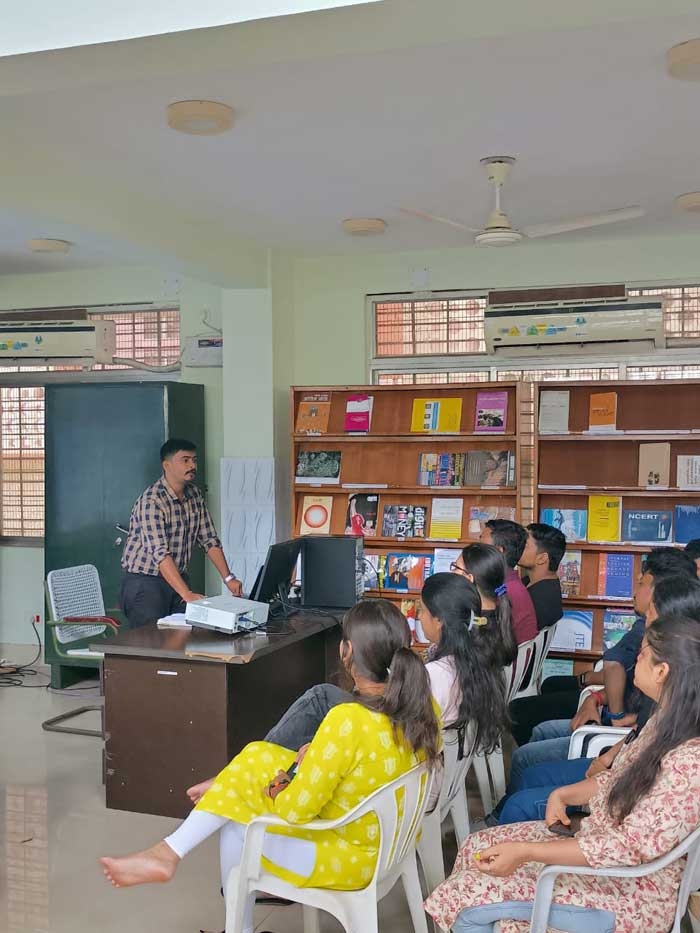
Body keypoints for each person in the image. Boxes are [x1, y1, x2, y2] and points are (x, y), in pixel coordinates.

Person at [99, 599, 440, 930]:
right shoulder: (422, 709)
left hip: (351, 857)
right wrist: (311, 757)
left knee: (236, 824)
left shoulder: (348, 720)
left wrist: (278, 784)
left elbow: (295, 811)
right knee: (257, 755)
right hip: (390, 842)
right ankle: (177, 842)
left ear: (346, 650)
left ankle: (197, 875)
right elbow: (366, 766)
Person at [425, 614, 700, 933]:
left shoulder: (688, 761)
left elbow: (627, 848)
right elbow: (616, 780)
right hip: (602, 858)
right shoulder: (665, 725)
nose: (632, 661)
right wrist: (563, 794)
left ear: (662, 671)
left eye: (640, 654)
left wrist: (527, 851)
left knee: (466, 897)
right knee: (476, 847)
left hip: (627, 892)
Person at [496, 573, 700, 824]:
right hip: (617, 768)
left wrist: (606, 760)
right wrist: (598, 705)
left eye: (651, 614)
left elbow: (629, 829)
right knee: (529, 772)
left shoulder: (683, 727)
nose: (645, 621)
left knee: (522, 796)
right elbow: (640, 735)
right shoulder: (670, 694)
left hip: (618, 794)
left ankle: (507, 836)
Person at [262, 573, 509, 760]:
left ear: (439, 621)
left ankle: (266, 758)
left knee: (320, 697)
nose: (418, 617)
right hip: (424, 765)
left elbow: (393, 729)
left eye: (422, 610)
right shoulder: (476, 660)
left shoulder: (436, 676)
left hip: (399, 764)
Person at [509, 546, 697, 746]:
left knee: (526, 736)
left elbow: (614, 664)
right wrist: (595, 697)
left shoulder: (655, 633)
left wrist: (615, 716)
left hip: (615, 735)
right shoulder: (680, 634)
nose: (634, 591)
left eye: (641, 583)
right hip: (618, 726)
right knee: (541, 724)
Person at [120, 438, 241, 628]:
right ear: (166, 465)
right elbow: (160, 554)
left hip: (177, 578)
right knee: (150, 646)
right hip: (146, 583)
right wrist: (186, 594)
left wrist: (228, 579)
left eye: (194, 460)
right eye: (185, 460)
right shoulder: (152, 502)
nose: (192, 465)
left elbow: (209, 540)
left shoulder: (194, 494)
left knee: (184, 638)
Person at [451, 543, 518, 666]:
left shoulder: (470, 627)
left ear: (469, 578)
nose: (452, 572)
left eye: (456, 567)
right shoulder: (499, 615)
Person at [480, 520, 537, 645]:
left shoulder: (504, 591)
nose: (476, 550)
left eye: (481, 544)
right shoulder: (512, 584)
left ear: (499, 551)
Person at [517, 523, 564, 631]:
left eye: (524, 545)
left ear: (542, 558)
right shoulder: (535, 582)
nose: (517, 547)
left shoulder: (540, 600)